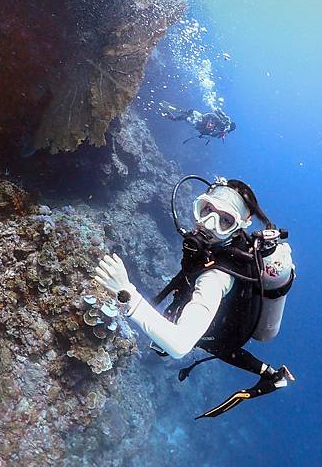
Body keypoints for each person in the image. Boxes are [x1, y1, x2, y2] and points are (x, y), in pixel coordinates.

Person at [94, 176, 295, 418]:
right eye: (206, 210)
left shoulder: (216, 279)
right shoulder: (229, 245)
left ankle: (269, 375)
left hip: (218, 334)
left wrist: (126, 293)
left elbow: (180, 345)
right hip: (227, 320)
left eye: (225, 221)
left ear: (241, 225)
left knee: (215, 346)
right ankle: (270, 374)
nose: (209, 224)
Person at [159, 101, 236, 143]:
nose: (226, 128)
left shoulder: (221, 132)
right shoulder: (223, 121)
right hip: (202, 119)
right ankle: (173, 114)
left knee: (185, 116)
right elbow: (215, 112)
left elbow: (210, 135)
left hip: (200, 124)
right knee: (187, 114)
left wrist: (212, 130)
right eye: (228, 126)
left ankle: (169, 116)